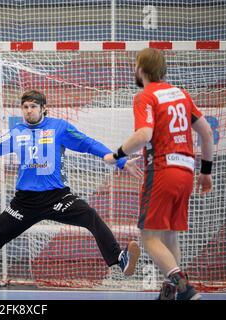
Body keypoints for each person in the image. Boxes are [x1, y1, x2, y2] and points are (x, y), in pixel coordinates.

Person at [0, 89, 142, 298]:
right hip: (24, 203)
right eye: (25, 107)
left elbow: (88, 143)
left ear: (43, 108)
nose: (29, 111)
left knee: (90, 216)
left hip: (57, 197)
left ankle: (119, 259)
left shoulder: (59, 127)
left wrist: (121, 161)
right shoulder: (17, 132)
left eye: (33, 107)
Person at [105, 48, 214, 300]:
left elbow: (144, 135)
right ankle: (169, 293)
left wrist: (117, 154)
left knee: (149, 236)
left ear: (141, 68)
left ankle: (185, 289)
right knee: (169, 235)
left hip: (163, 171)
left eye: (135, 65)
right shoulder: (181, 94)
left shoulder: (145, 96)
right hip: (187, 172)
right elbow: (206, 132)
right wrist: (206, 172)